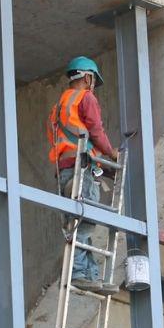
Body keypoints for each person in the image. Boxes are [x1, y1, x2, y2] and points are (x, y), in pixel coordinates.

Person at [46, 56, 119, 295]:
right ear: (87, 77)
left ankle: (91, 275)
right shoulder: (86, 98)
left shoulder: (57, 108)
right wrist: (112, 154)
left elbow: (69, 141)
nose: (93, 86)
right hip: (82, 170)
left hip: (65, 171)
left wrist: (103, 165)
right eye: (93, 81)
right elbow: (95, 132)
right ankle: (78, 272)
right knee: (85, 220)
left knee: (80, 219)